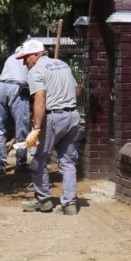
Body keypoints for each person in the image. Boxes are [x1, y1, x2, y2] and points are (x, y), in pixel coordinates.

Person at [19, 39, 82, 216]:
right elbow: (77, 91)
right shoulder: (63, 64)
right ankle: (69, 204)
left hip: (53, 118)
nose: (25, 63)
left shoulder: (36, 71)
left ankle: (44, 201)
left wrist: (36, 127)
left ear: (36, 55)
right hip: (73, 116)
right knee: (68, 162)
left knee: (38, 159)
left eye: (26, 58)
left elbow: (40, 100)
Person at [0, 43, 32, 175]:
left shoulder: (10, 58)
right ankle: (20, 165)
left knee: (0, 127)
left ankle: (1, 164)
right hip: (17, 88)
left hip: (1, 87)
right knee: (21, 129)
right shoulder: (27, 59)